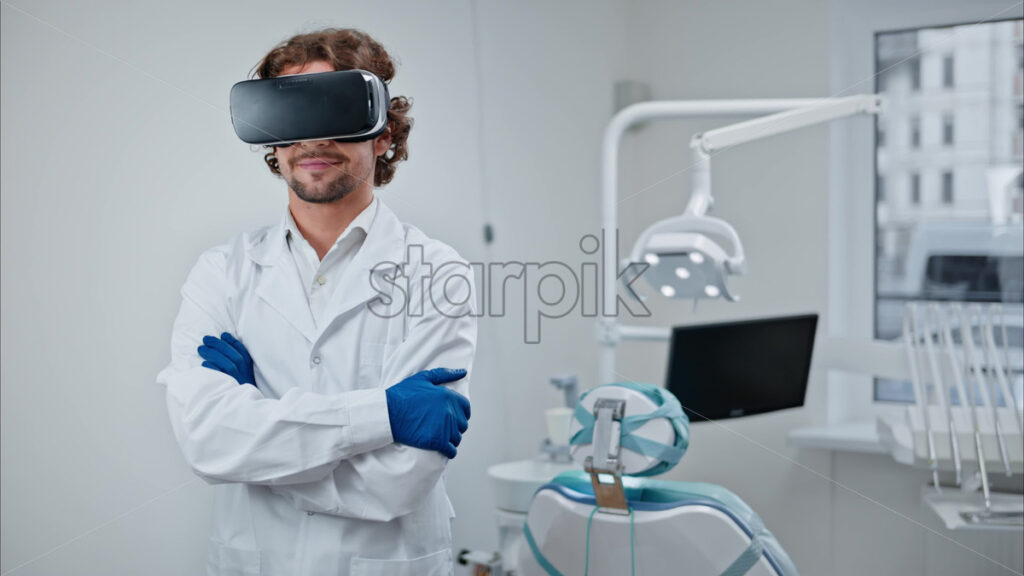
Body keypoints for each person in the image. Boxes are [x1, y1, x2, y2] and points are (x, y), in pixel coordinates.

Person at [156, 28, 476, 576]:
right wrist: (383, 415)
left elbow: (396, 483)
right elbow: (208, 441)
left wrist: (258, 441)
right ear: (272, 143)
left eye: (337, 111)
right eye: (292, 117)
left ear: (383, 135)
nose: (313, 139)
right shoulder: (222, 272)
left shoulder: (439, 272)